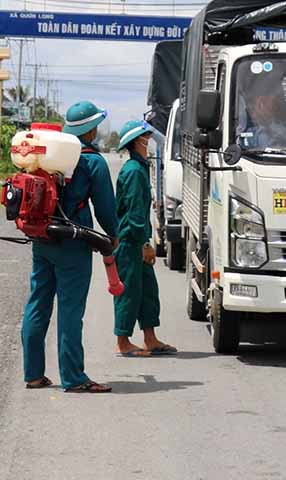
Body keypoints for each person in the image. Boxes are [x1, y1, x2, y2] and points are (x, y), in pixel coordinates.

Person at [22, 101, 117, 393]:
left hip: (42, 237)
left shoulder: (44, 156)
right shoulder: (92, 161)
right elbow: (104, 207)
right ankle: (74, 377)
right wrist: (112, 236)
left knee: (37, 303)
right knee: (70, 310)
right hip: (73, 244)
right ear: (90, 129)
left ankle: (34, 375)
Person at [113, 120, 176, 357]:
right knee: (128, 291)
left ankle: (150, 338)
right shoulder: (133, 172)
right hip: (131, 242)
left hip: (137, 240)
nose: (148, 141)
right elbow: (134, 212)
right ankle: (123, 341)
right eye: (146, 138)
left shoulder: (139, 168)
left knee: (147, 289)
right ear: (137, 141)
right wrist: (145, 244)